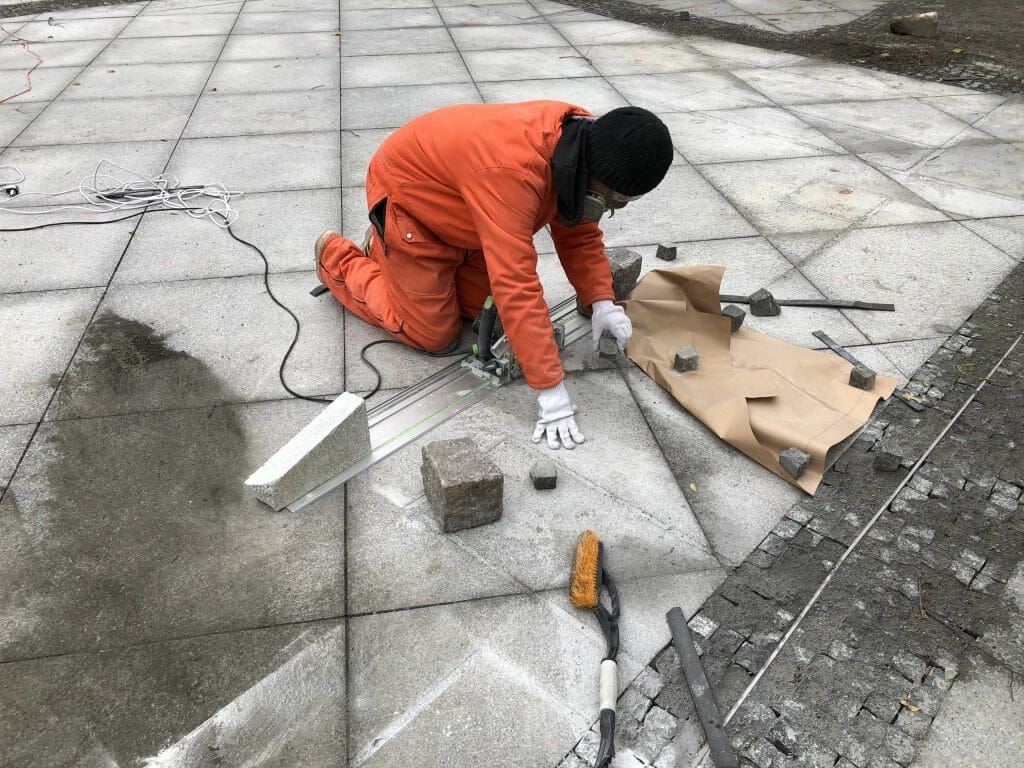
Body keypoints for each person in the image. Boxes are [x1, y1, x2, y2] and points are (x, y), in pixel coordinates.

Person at [315, 101, 673, 449]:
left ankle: (396, 260)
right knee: (433, 334)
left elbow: (576, 228)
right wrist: (549, 388)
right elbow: (515, 283)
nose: (613, 208)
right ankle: (342, 257)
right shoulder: (515, 172)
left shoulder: (583, 146)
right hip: (413, 207)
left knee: (481, 310)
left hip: (470, 213)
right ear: (598, 175)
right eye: (616, 200)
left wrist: (602, 301)